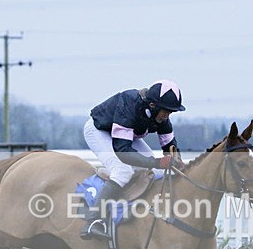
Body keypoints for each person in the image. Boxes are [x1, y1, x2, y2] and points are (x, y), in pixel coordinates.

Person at [80, 80, 186, 239]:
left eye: (170, 112)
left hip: (126, 135)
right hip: (100, 131)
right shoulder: (130, 103)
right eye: (165, 111)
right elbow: (123, 151)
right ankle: (93, 221)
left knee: (157, 170)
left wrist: (176, 161)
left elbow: (170, 147)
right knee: (122, 171)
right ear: (153, 105)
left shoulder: (161, 116)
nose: (167, 116)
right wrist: (156, 162)